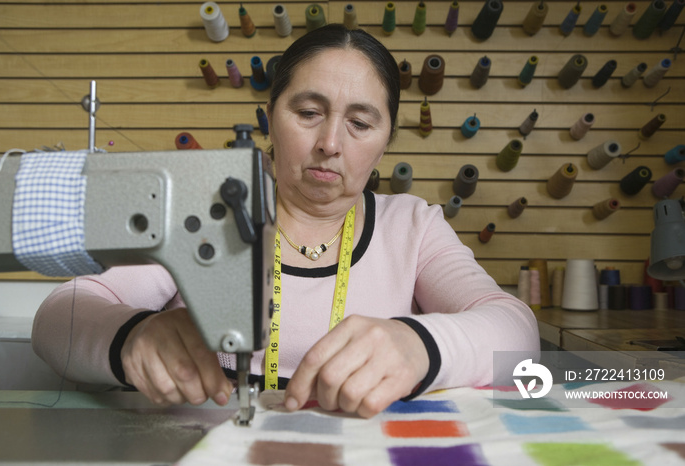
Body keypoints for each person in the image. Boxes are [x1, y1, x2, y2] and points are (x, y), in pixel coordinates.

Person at [32, 24, 539, 418]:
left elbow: (517, 331)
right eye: (308, 112)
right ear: (270, 115)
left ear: (387, 139)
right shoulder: (206, 214)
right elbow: (61, 315)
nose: (331, 144)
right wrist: (133, 338)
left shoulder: (412, 227)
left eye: (360, 124)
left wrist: (420, 346)